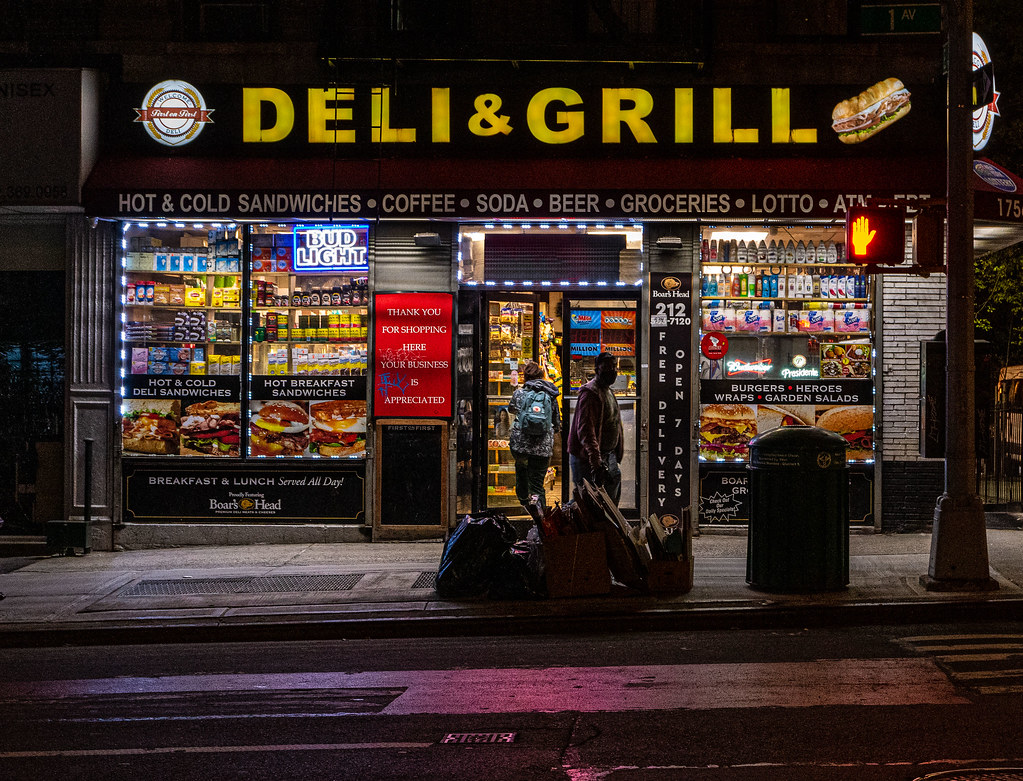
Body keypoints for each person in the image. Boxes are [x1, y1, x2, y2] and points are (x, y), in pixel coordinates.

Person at [568, 351, 624, 504]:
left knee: (609, 498)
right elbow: (585, 430)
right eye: (606, 367)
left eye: (613, 367)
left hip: (608, 455)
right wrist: (596, 461)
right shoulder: (590, 393)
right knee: (585, 503)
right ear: (597, 369)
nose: (612, 371)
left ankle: (609, 526)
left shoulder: (608, 391)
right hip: (588, 459)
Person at [508, 360, 561, 510]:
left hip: (520, 446)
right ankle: (541, 522)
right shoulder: (550, 395)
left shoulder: (519, 393)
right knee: (537, 485)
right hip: (542, 448)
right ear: (542, 376)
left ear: (525, 377)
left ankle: (524, 499)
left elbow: (511, 409)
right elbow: (556, 422)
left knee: (522, 469)